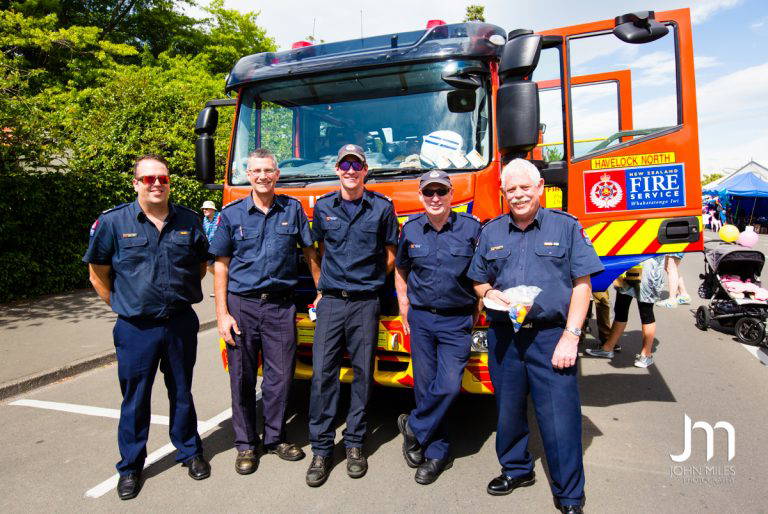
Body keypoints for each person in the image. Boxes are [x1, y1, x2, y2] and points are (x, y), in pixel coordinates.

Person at [467, 158, 604, 514]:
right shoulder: (492, 231)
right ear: (503, 193)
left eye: (525, 187)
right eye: (511, 189)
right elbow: (479, 279)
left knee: (560, 418)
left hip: (551, 337)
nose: (518, 195)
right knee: (508, 412)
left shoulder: (566, 226)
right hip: (505, 337)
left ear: (540, 188)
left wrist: (572, 336)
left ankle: (570, 493)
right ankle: (516, 469)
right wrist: (486, 294)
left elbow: (582, 285)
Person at [83, 154, 211, 500]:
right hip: (135, 329)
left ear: (169, 183)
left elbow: (200, 266)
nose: (157, 183)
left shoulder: (189, 220)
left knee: (182, 391)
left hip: (180, 323)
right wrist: (124, 306)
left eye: (163, 178)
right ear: (136, 183)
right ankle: (130, 467)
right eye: (149, 178)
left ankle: (189, 450)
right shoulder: (113, 222)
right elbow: (98, 273)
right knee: (135, 399)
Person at [209, 148, 320, 475]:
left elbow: (311, 253)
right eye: (256, 171)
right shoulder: (230, 215)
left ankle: (275, 438)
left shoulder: (293, 209)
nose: (262, 176)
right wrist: (222, 314)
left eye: (268, 171)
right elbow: (220, 267)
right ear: (248, 173)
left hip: (281, 306)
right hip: (241, 306)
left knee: (281, 377)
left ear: (277, 175)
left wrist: (321, 290)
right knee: (241, 378)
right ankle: (245, 445)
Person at [305, 144, 399, 487]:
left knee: (362, 374)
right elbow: (317, 249)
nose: (350, 170)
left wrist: (373, 280)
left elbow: (391, 251)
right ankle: (322, 448)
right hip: (330, 302)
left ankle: (356, 443)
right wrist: (321, 284)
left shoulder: (382, 208)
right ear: (337, 169)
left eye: (356, 165)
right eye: (344, 163)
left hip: (365, 302)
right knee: (323, 375)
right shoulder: (323, 207)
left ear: (365, 171)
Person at [394, 170, 482, 485]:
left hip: (457, 319)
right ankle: (436, 453)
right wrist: (403, 305)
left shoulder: (471, 229)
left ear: (451, 195)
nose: (435, 198)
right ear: (420, 196)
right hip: (420, 319)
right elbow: (401, 269)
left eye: (441, 192)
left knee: (447, 386)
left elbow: (482, 274)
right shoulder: (411, 230)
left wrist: (478, 308)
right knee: (425, 386)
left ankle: (413, 426)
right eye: (429, 192)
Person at [586, 255, 664, 368]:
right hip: (630, 265)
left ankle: (646, 354)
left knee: (645, 312)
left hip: (646, 269)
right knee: (621, 310)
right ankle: (608, 348)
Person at [202, 200, 220, 277]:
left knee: (220, 265)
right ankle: (222, 278)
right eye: (203, 209)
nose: (204, 210)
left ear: (212, 209)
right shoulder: (205, 219)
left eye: (206, 208)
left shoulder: (220, 217)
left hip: (219, 246)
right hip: (210, 247)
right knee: (209, 266)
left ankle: (224, 279)